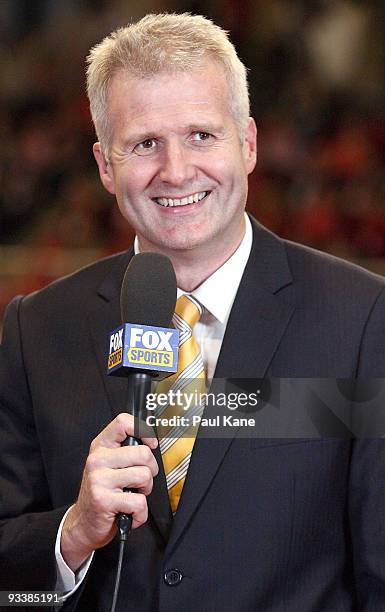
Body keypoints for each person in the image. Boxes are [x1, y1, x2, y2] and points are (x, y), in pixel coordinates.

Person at [1, 12, 385, 612]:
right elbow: (9, 583)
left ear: (249, 144)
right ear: (105, 165)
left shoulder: (360, 319)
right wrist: (71, 536)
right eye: (145, 143)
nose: (176, 171)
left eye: (201, 135)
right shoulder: (37, 328)